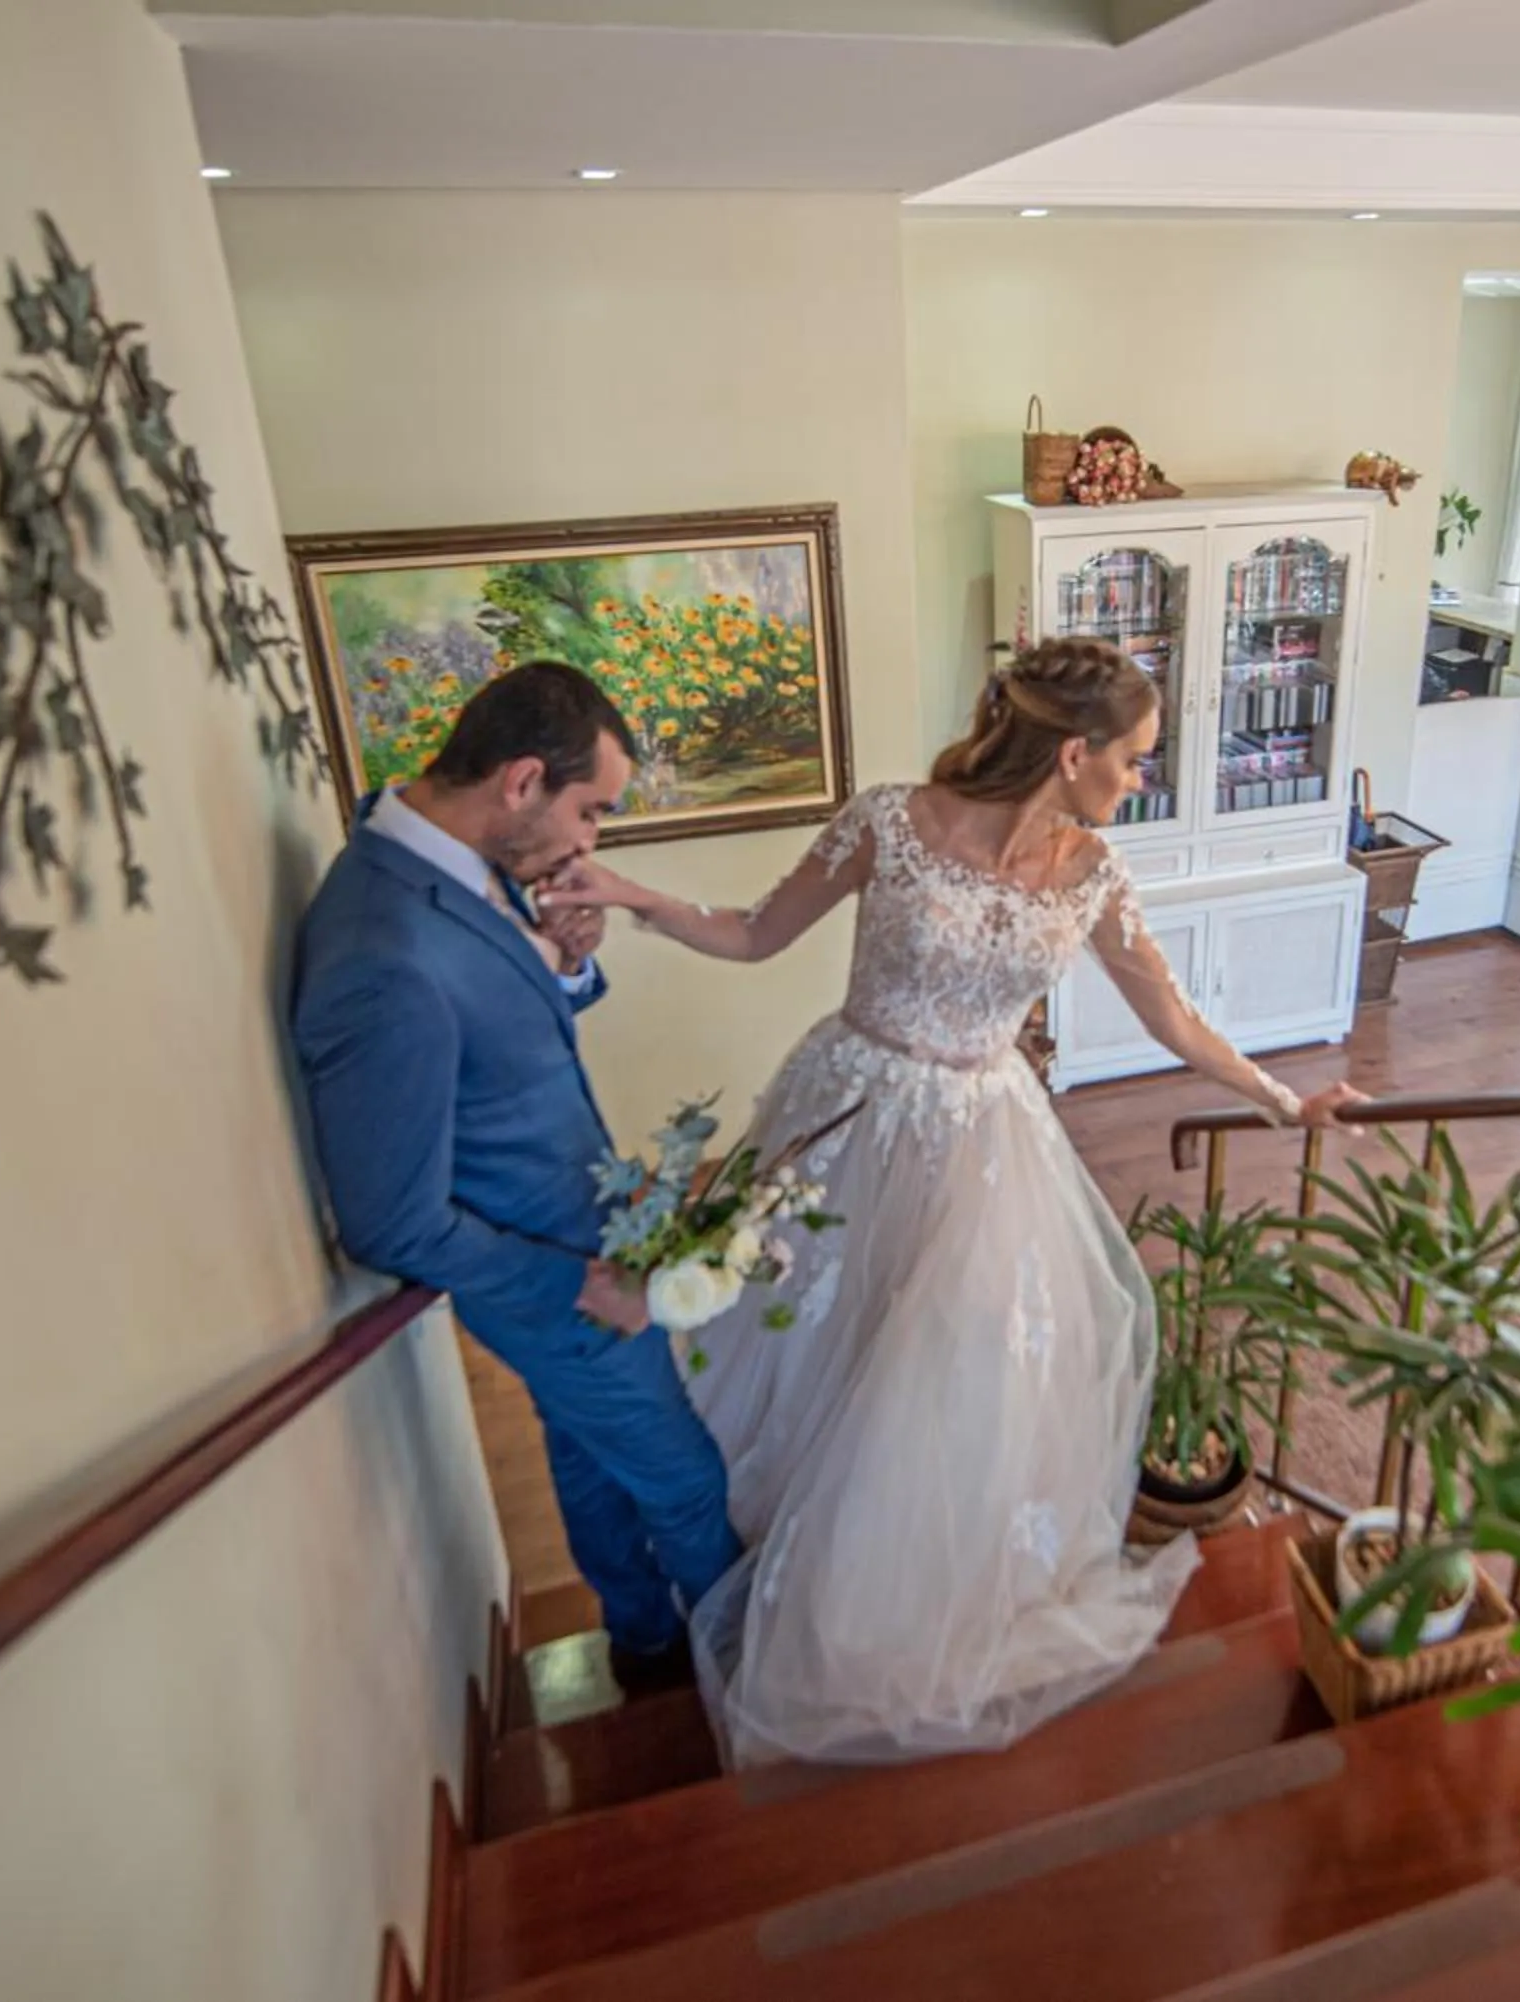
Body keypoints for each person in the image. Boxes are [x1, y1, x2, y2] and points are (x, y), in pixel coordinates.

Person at [543, 635, 1362, 1765]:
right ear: (1073, 753)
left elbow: (1172, 1019)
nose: (1141, 781)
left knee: (940, 1374)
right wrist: (626, 890)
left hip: (986, 1144)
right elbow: (750, 933)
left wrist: (1282, 1101)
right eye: (1132, 759)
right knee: (803, 1349)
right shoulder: (890, 822)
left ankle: (894, 1582)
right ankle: (743, 1562)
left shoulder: (1094, 875)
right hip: (846, 1112)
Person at [291, 661, 737, 1687]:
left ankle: (644, 1641)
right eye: (592, 811)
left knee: (584, 1458)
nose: (591, 843)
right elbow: (392, 1225)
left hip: (580, 1231)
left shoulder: (432, 857)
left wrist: (559, 960)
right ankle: (743, 1674)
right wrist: (585, 1282)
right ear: (523, 778)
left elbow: (487, 1036)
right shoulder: (383, 955)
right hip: (557, 1280)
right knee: (687, 1482)